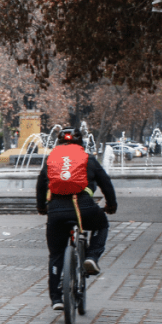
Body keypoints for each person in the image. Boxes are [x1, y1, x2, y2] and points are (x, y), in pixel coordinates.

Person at [37, 127, 117, 310]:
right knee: (102, 225)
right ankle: (91, 257)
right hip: (84, 208)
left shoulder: (51, 159)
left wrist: (41, 207)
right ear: (80, 142)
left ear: (59, 143)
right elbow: (106, 183)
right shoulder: (88, 159)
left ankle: (57, 299)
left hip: (56, 210)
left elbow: (41, 184)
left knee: (56, 255)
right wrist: (111, 205)